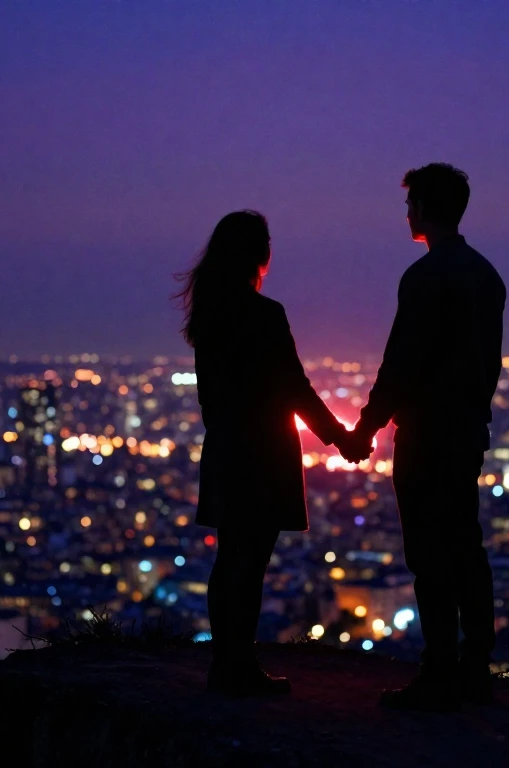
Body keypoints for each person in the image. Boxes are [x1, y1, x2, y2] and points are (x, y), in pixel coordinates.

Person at [339, 163, 507, 711]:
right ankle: (476, 665)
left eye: (411, 203)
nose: (406, 213)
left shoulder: (426, 277)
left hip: (427, 432)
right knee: (466, 545)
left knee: (429, 554)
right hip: (467, 430)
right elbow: (490, 363)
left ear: (427, 208)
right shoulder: (487, 276)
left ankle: (438, 672)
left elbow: (400, 365)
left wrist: (365, 427)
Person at [177, 210, 351, 696]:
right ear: (261, 255)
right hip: (264, 451)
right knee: (250, 564)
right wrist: (340, 436)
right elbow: (295, 389)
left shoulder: (208, 317)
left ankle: (225, 662)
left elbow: (211, 397)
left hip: (227, 446)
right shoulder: (263, 314)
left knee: (229, 558)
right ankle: (240, 667)